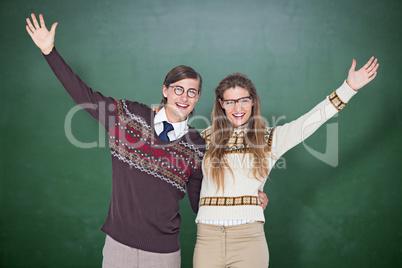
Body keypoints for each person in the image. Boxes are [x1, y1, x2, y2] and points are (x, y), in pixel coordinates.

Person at [25, 13, 209, 268]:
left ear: (197, 98)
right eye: (178, 88)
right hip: (119, 247)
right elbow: (84, 96)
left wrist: (246, 200)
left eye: (192, 92)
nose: (184, 97)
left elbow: (202, 202)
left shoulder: (197, 145)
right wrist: (49, 52)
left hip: (165, 254)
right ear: (165, 90)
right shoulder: (129, 117)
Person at [193, 58, 379, 267]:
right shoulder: (202, 138)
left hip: (249, 240)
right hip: (207, 239)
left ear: (253, 101)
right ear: (221, 104)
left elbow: (309, 122)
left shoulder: (270, 138)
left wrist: (348, 88)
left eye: (244, 100)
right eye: (230, 101)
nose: (238, 107)